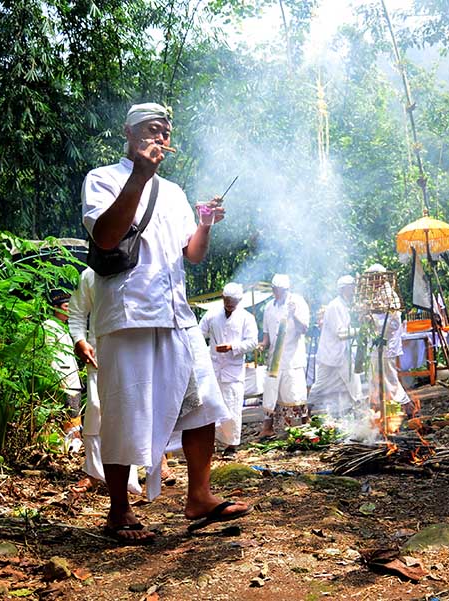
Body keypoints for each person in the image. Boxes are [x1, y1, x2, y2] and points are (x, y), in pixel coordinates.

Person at [81, 102, 249, 543]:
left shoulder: (172, 193)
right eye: (151, 130)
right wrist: (139, 174)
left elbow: (190, 254)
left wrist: (205, 225)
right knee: (123, 411)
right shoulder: (102, 179)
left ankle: (200, 496)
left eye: (165, 132)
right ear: (129, 132)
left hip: (177, 315)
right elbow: (106, 236)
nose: (159, 138)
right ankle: (119, 512)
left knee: (203, 403)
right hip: (128, 315)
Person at [68, 267, 144, 496]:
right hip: (99, 352)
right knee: (95, 409)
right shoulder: (91, 273)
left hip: (136, 351)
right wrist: (80, 340)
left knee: (132, 412)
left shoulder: (141, 265)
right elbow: (77, 310)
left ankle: (131, 477)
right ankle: (93, 472)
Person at [199, 282, 259, 458]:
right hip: (213, 367)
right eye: (227, 299)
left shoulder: (247, 317)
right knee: (210, 406)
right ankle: (210, 443)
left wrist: (233, 347)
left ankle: (231, 445)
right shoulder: (211, 315)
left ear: (239, 300)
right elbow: (198, 333)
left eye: (233, 300)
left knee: (232, 406)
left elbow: (253, 342)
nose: (229, 303)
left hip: (233, 370)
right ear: (223, 298)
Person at [259, 274, 311, 439]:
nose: (278, 293)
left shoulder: (297, 301)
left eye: (281, 291)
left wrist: (293, 314)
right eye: (275, 290)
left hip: (292, 358)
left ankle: (300, 429)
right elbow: (266, 336)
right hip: (274, 360)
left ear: (287, 290)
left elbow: (304, 329)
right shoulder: (269, 307)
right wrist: (261, 345)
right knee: (270, 393)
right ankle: (268, 427)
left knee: (294, 394)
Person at [365, 264, 417, 419]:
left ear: (379, 277)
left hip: (386, 345)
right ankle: (381, 411)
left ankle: (406, 407)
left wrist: (373, 320)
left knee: (389, 379)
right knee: (377, 378)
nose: (369, 282)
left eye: (372, 278)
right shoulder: (377, 294)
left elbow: (393, 323)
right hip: (376, 344)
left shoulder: (389, 294)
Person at [307, 275, 362, 420]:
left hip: (342, 353)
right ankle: (305, 410)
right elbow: (340, 333)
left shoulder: (344, 305)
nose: (354, 290)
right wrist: (361, 331)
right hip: (331, 353)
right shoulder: (335, 306)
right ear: (344, 289)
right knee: (320, 386)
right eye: (352, 287)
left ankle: (358, 411)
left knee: (353, 382)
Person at [43, 290, 82, 449]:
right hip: (62, 377)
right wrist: (55, 378)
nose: (69, 309)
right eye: (66, 306)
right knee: (66, 411)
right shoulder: (49, 326)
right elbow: (49, 353)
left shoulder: (64, 327)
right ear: (56, 307)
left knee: (74, 411)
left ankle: (72, 444)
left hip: (71, 377)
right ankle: (62, 445)